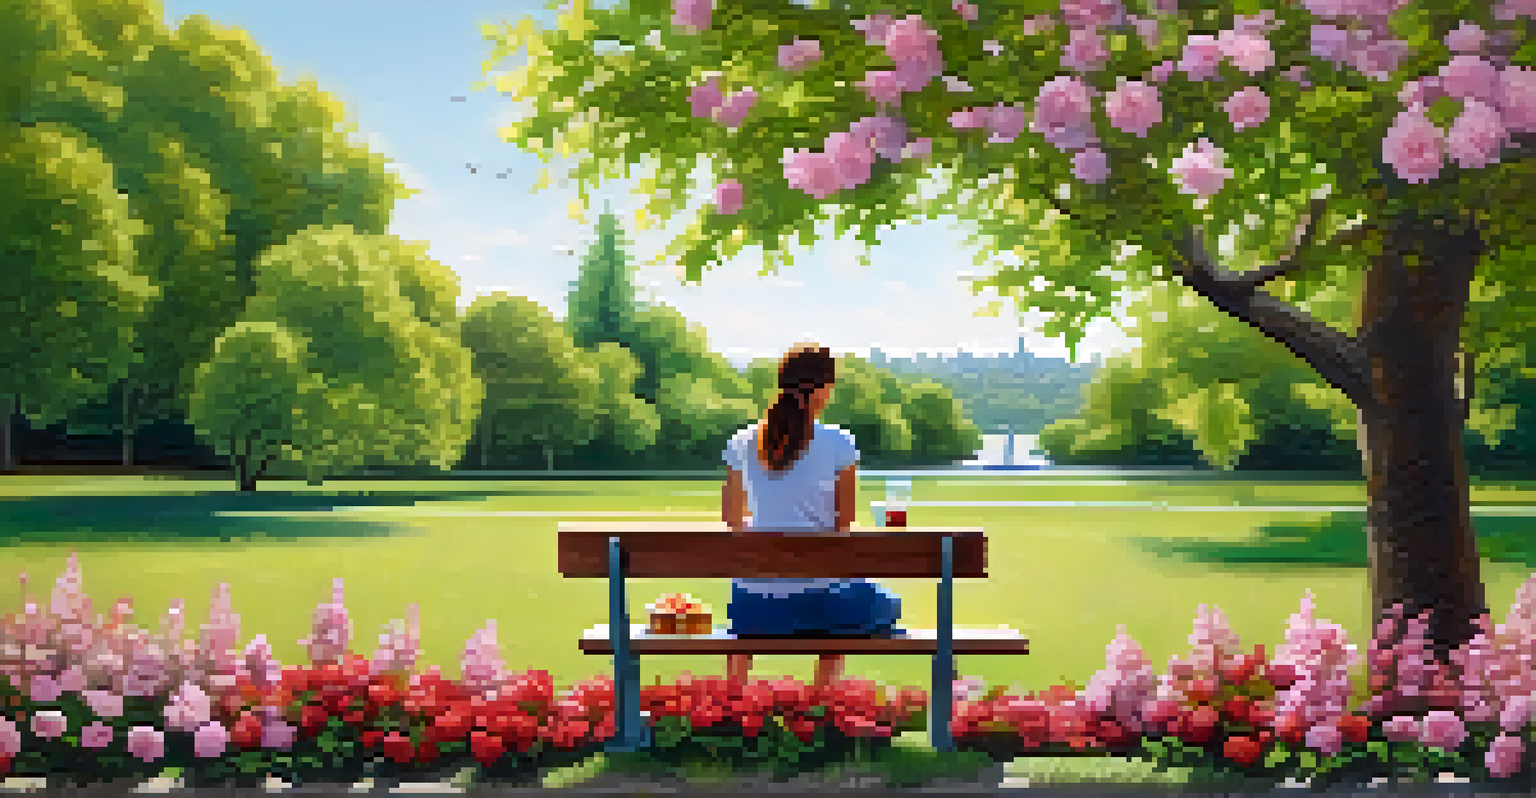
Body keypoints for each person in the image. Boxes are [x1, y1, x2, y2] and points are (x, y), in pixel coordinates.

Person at [720, 342, 901, 687]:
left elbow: (731, 518)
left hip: (752, 609)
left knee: (756, 594)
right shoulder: (839, 443)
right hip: (820, 606)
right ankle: (823, 703)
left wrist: (769, 539)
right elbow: (843, 522)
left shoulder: (742, 441)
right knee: (883, 603)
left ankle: (734, 700)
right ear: (824, 389)